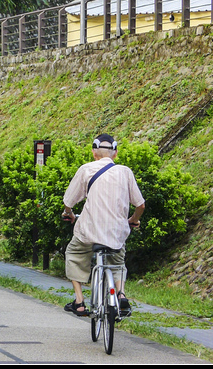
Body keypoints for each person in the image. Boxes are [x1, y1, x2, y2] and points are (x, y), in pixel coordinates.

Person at [61, 133, 145, 317]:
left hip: (89, 232)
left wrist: (69, 214)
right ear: (115, 154)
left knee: (74, 254)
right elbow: (140, 205)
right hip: (116, 233)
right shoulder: (125, 172)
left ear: (94, 153)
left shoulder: (86, 170)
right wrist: (133, 220)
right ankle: (121, 295)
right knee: (118, 260)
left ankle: (80, 302)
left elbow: (68, 202)